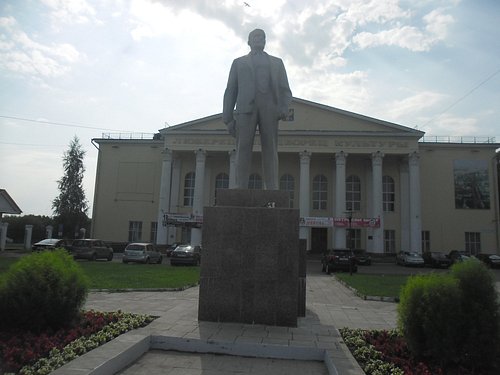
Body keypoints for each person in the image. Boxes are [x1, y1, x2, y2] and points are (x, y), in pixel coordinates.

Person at [223, 28, 292, 190]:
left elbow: (285, 89)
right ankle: (240, 186)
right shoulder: (239, 62)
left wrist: (283, 107)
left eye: (262, 37)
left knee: (270, 148)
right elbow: (231, 90)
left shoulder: (277, 63)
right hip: (246, 109)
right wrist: (227, 118)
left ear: (265, 41)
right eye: (255, 36)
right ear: (249, 41)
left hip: (270, 108)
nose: (259, 39)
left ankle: (272, 187)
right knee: (243, 147)